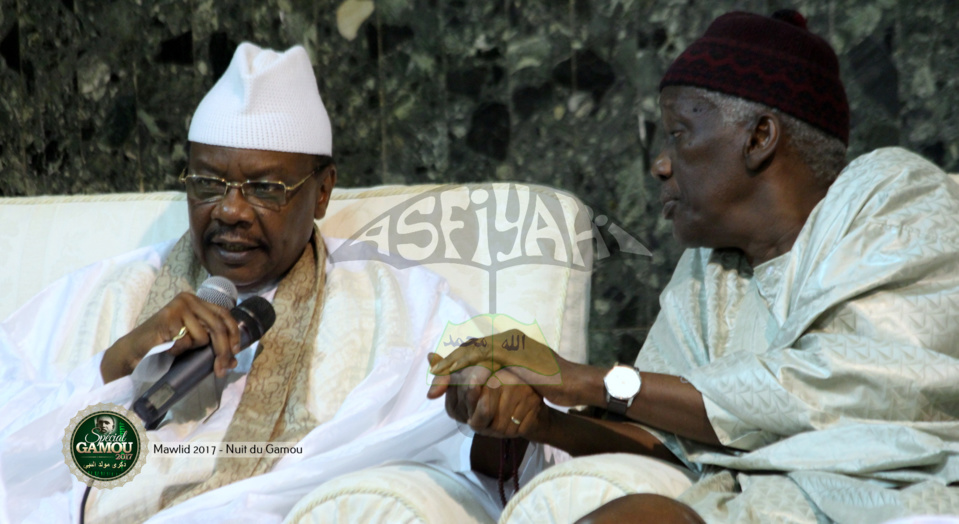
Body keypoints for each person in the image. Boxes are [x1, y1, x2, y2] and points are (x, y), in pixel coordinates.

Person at [429, 10, 959, 523]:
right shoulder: (710, 274)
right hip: (763, 507)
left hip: (909, 495)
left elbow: (843, 386)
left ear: (758, 138)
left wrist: (583, 380)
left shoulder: (893, 195)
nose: (660, 164)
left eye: (679, 133)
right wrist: (541, 418)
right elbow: (669, 438)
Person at [0, 43, 501, 523]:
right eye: (208, 184)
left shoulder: (398, 307)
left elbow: (478, 439)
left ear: (322, 192)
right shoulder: (104, 294)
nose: (231, 210)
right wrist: (120, 362)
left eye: (265, 189)